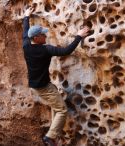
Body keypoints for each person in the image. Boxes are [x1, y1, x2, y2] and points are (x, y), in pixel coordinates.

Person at [22, 7, 89, 146]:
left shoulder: (26, 45)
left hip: (37, 85)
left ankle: (55, 135)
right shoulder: (45, 50)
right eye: (43, 35)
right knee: (62, 110)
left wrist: (26, 16)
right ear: (36, 38)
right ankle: (50, 138)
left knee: (55, 106)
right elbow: (66, 51)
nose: (45, 36)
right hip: (44, 87)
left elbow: (25, 31)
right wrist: (79, 36)